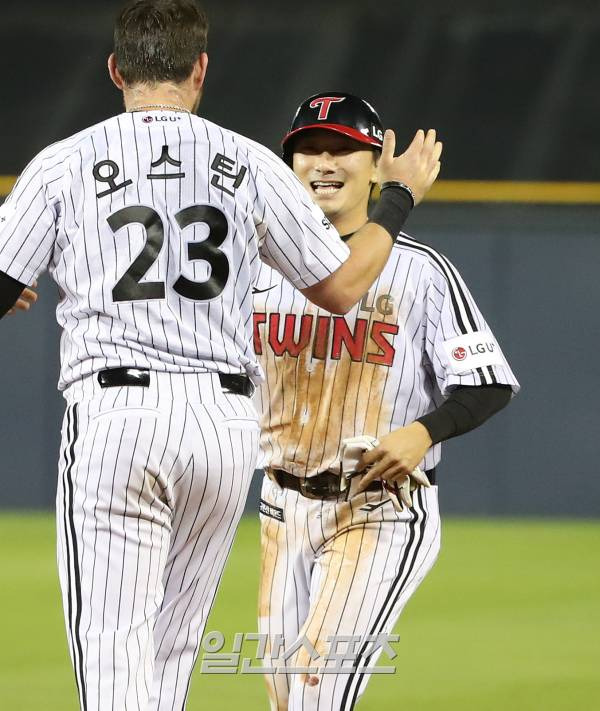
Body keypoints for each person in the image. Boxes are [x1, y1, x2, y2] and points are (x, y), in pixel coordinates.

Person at [0, 2, 441, 709]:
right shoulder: (251, 163)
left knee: (115, 650)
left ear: (115, 70)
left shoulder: (65, 163)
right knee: (171, 654)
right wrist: (398, 198)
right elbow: (345, 286)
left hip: (119, 415)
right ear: (200, 69)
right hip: (224, 426)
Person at [253, 91, 520, 711]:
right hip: (280, 506)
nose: (325, 160)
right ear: (287, 165)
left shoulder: (422, 271)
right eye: (309, 149)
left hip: (381, 509)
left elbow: (488, 382)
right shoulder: (253, 265)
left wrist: (425, 431)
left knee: (319, 691)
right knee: (286, 700)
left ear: (377, 167)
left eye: (344, 148)